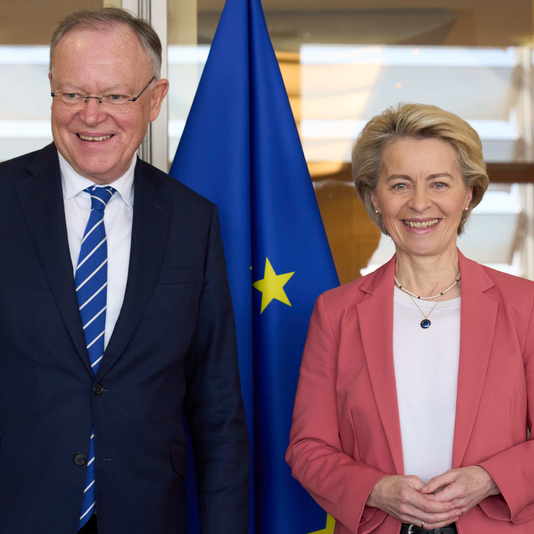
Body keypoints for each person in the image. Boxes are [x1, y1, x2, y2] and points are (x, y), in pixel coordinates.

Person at [0, 7, 249, 534]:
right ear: (51, 90)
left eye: (115, 96)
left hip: (147, 515)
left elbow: (217, 404)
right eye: (72, 94)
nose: (92, 116)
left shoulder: (192, 220)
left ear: (155, 99)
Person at [286, 103, 534, 533]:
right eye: (400, 185)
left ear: (468, 193)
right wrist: (377, 489)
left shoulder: (525, 306)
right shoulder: (336, 312)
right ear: (375, 198)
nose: (420, 203)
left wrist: (489, 479)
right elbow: (309, 449)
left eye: (439, 183)